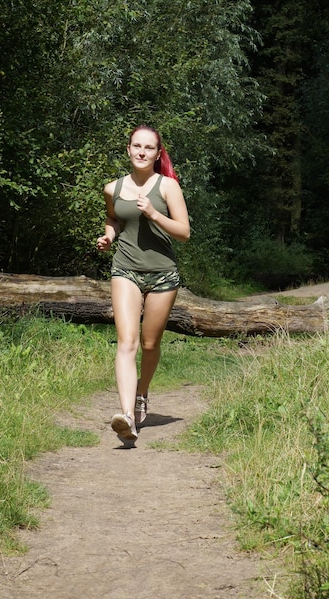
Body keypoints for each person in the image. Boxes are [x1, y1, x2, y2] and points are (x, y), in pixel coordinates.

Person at [96, 125, 190, 445]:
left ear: (157, 154)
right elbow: (114, 218)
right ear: (128, 149)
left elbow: (184, 232)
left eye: (148, 148)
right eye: (137, 146)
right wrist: (109, 236)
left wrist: (153, 212)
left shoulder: (168, 187)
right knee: (127, 343)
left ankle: (142, 393)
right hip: (125, 270)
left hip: (163, 275)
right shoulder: (113, 188)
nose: (141, 152)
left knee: (150, 345)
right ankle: (126, 417)